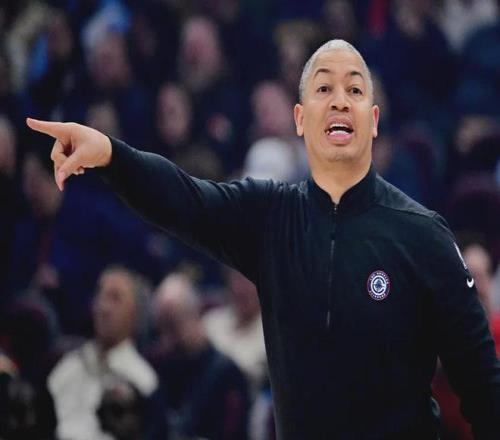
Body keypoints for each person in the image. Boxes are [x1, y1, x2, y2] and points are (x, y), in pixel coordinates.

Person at [27, 39, 500, 439]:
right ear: (300, 119)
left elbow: (483, 386)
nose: (339, 100)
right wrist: (111, 155)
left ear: (374, 120)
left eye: (354, 89)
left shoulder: (422, 234)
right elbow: (184, 198)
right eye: (324, 88)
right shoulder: (270, 216)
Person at [47, 266, 166, 440]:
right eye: (100, 295)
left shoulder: (144, 383)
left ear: (135, 314)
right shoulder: (67, 364)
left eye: (115, 298)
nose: (103, 307)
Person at [148, 272, 249, 440]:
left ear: (193, 315)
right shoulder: (161, 368)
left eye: (172, 325)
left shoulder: (228, 376)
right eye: (161, 328)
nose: (167, 339)